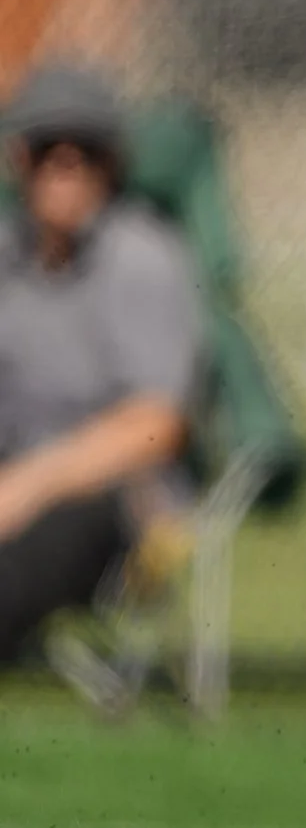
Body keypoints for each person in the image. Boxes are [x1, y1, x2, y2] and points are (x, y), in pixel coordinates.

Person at [0, 66, 205, 669]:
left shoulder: (141, 259)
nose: (64, 170)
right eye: (47, 151)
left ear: (111, 162)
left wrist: (27, 486)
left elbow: (156, 425)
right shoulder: (9, 258)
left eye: (82, 153)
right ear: (19, 158)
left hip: (113, 506)